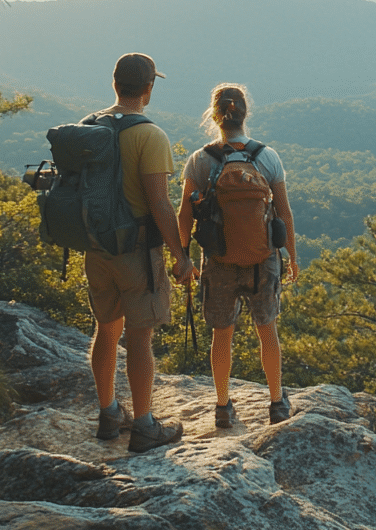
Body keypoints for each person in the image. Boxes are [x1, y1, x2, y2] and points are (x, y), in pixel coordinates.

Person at [88, 53, 197, 452]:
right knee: (139, 336)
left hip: (97, 249)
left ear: (115, 83)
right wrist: (181, 255)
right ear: (148, 88)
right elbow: (160, 204)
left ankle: (108, 413)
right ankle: (146, 425)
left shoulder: (89, 127)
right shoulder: (150, 135)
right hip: (135, 253)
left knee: (105, 329)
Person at [177, 83, 298, 428]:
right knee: (267, 330)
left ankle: (222, 406)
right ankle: (276, 402)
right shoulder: (267, 156)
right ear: (245, 115)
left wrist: (182, 256)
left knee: (222, 334)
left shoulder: (200, 159)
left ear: (214, 117)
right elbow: (285, 214)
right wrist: (292, 257)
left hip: (219, 259)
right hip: (264, 261)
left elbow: (184, 214)